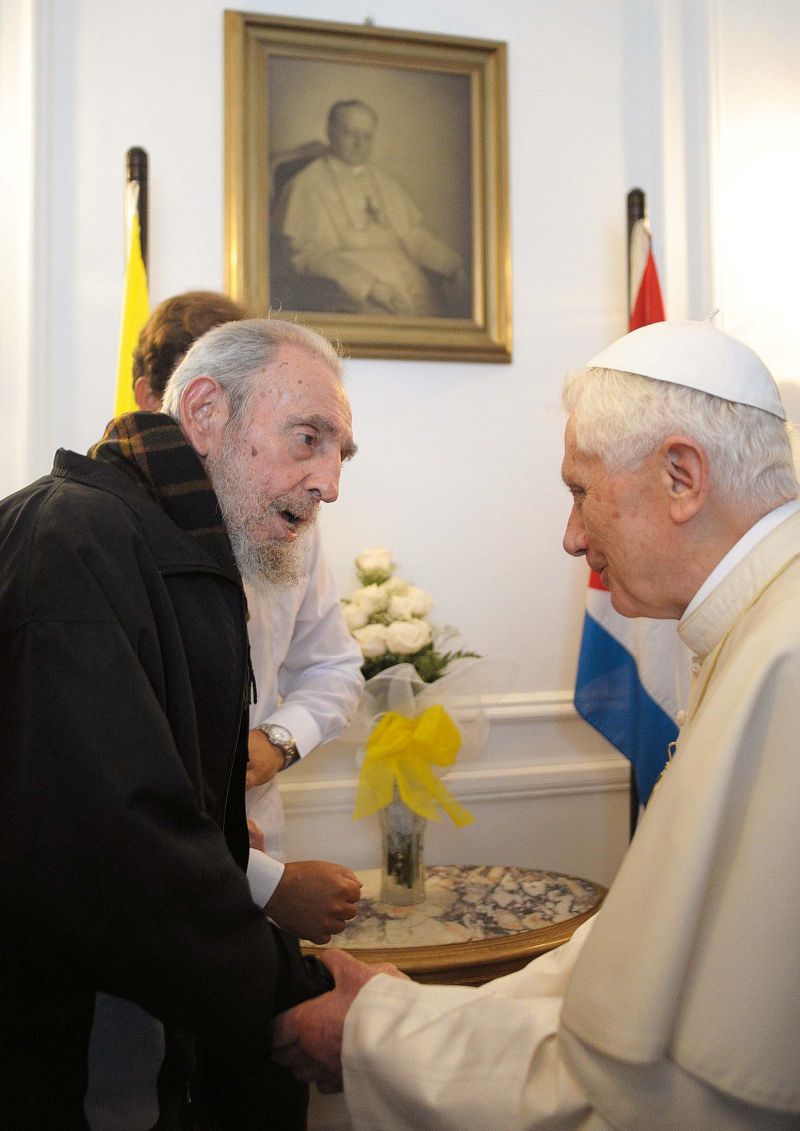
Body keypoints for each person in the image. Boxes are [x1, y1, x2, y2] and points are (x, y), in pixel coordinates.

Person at [272, 320, 800, 1130]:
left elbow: (660, 1094)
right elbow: (624, 981)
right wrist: (403, 1011)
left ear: (682, 476)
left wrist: (374, 1031)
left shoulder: (784, 659)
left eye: (580, 491)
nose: (572, 536)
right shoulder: (759, 631)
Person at [0, 318, 358, 1128]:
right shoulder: (76, 541)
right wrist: (293, 995)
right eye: (308, 439)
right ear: (202, 411)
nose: (330, 482)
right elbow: (121, 844)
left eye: (341, 452)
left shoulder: (146, 535)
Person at [132, 290, 365, 943]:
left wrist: (277, 742)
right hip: (153, 883)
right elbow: (121, 776)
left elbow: (334, 666)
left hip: (260, 844)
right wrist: (257, 872)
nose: (327, 486)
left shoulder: (289, 517)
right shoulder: (108, 537)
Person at [272, 99, 469, 318]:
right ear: (330, 131)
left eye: (367, 136)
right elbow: (305, 254)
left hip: (411, 285)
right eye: (350, 133)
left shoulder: (385, 183)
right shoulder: (306, 184)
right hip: (349, 293)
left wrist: (451, 265)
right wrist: (369, 287)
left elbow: (412, 236)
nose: (360, 144)